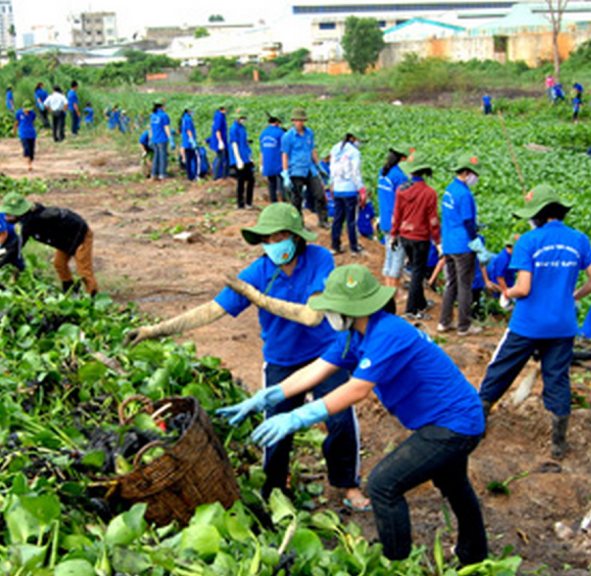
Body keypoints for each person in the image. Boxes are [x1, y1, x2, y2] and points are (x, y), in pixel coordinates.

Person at [219, 264, 488, 565]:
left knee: (384, 484)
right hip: (445, 420)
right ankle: (473, 554)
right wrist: (268, 396)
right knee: (454, 483)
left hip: (454, 424)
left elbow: (356, 391)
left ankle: (394, 562)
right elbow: (316, 370)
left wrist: (298, 417)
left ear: (351, 308)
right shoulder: (353, 336)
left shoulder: (388, 333)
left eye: (331, 307)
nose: (327, 314)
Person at [126, 204, 367, 509]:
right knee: (276, 427)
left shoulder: (320, 259)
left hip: (326, 353)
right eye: (265, 239)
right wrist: (154, 330)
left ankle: (348, 485)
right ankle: (275, 491)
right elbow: (211, 311)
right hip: (282, 358)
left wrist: (256, 298)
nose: (271, 244)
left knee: (341, 418)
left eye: (278, 236)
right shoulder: (257, 272)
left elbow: (312, 316)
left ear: (294, 237)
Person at [479, 185, 591, 459]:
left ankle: (479, 419)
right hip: (563, 324)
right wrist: (573, 295)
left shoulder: (528, 241)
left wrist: (506, 293)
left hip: (529, 323)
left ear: (538, 214)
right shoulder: (579, 239)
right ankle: (558, 443)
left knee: (502, 368)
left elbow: (523, 288)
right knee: (557, 377)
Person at [0, 193, 98, 296]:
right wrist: (1, 256)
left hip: (81, 235)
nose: (7, 217)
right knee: (59, 264)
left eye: (10, 214)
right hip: (65, 241)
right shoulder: (28, 223)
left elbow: (55, 213)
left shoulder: (40, 217)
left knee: (84, 271)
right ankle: (70, 289)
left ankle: (93, 296)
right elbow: (18, 246)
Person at [439, 154, 491, 337]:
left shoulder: (449, 189)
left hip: (449, 243)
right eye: (475, 174)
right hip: (463, 245)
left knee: (451, 283)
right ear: (467, 172)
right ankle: (464, 325)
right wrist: (476, 241)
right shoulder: (464, 194)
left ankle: (444, 322)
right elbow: (468, 221)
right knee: (464, 285)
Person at [391, 156, 438, 319]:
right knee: (418, 272)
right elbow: (433, 220)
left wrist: (393, 234)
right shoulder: (429, 192)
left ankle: (421, 303)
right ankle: (412, 310)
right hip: (421, 237)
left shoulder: (402, 190)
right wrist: (438, 241)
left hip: (405, 235)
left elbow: (397, 214)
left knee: (415, 268)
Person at [281, 107, 328, 228]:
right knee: (297, 198)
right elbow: (285, 155)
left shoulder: (309, 133)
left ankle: (323, 220)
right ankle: (299, 224)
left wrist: (318, 166)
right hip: (296, 169)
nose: (300, 122)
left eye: (302, 120)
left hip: (309, 168)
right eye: (297, 120)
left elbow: (312, 150)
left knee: (320, 194)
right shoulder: (288, 136)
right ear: (293, 121)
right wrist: (285, 173)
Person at [377, 144, 411, 288]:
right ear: (402, 158)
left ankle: (387, 287)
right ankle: (393, 292)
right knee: (397, 258)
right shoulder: (400, 177)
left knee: (389, 255)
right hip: (396, 222)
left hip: (385, 220)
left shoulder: (383, 172)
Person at [329, 129, 365, 255]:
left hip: (338, 188)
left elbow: (332, 169)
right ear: (353, 138)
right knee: (351, 220)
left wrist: (332, 184)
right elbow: (355, 172)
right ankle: (354, 247)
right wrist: (361, 188)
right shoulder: (354, 152)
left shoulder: (335, 148)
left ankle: (335, 245)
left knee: (337, 219)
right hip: (350, 190)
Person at [484, 235, 518, 311]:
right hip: (500, 287)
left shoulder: (512, 256)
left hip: (509, 283)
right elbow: (500, 278)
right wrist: (506, 292)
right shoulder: (503, 259)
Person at [229, 108, 254, 209]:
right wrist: (238, 159)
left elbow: (244, 143)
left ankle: (248, 202)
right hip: (239, 159)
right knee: (241, 181)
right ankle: (240, 204)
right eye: (242, 117)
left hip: (245, 157)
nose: (243, 119)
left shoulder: (242, 128)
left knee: (251, 180)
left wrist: (249, 156)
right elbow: (234, 144)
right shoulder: (234, 128)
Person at [260, 114, 286, 203]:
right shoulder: (280, 133)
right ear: (277, 121)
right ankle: (284, 202)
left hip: (267, 163)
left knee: (271, 185)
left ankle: (273, 203)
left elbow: (262, 151)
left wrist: (261, 164)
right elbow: (284, 149)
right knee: (282, 184)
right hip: (279, 163)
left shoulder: (263, 133)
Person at [149, 100, 171, 181]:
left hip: (154, 138)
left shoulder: (153, 115)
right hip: (162, 139)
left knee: (156, 157)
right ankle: (162, 174)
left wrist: (150, 137)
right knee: (162, 157)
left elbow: (151, 127)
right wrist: (170, 138)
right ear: (161, 106)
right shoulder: (164, 115)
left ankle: (154, 173)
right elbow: (166, 128)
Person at [14, 101, 37, 172]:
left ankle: (30, 160)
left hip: (31, 133)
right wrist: (14, 130)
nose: (28, 111)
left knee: (32, 150)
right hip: (23, 133)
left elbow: (33, 122)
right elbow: (17, 122)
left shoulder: (32, 113)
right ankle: (29, 165)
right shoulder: (18, 113)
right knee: (26, 148)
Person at [212, 105, 229, 180]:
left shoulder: (221, 115)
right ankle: (216, 177)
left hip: (223, 140)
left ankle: (224, 175)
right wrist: (220, 141)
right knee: (220, 158)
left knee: (225, 158)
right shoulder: (219, 116)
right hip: (219, 141)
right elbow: (217, 130)